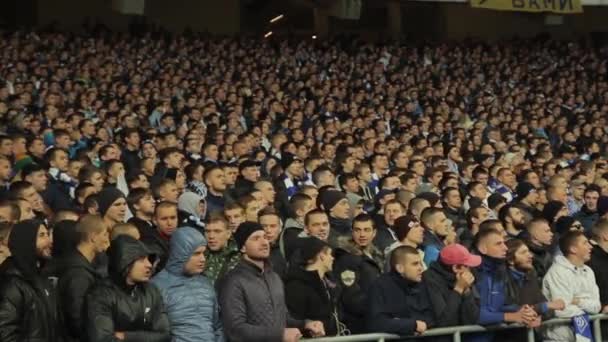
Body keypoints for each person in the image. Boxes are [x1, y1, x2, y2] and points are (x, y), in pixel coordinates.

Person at [218, 221, 324, 341]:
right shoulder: (233, 281)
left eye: (265, 237)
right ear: (242, 247)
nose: (264, 242)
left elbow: (283, 318)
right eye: (256, 238)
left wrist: (305, 325)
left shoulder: (274, 277)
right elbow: (235, 330)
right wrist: (280, 335)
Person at [85, 235, 171, 341]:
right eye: (140, 260)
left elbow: (164, 335)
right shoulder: (100, 294)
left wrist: (126, 336)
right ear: (124, 262)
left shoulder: (151, 291)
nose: (149, 264)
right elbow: (103, 339)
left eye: (148, 259)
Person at [152, 227, 224, 342]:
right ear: (180, 254)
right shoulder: (156, 287)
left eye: (203, 253)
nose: (203, 259)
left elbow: (217, 325)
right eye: (196, 254)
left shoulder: (205, 284)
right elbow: (154, 334)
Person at [475, 228, 539, 340]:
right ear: (483, 249)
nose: (505, 248)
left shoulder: (498, 273)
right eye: (498, 244)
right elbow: (474, 314)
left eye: (504, 243)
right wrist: (511, 316)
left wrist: (520, 310)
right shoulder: (474, 274)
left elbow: (497, 307)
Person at [0, 219, 58, 342]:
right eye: (42, 235)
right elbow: (5, 334)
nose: (49, 241)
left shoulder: (41, 277)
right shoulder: (12, 283)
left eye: (48, 234)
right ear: (26, 241)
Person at [57, 215, 110, 342]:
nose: (108, 239)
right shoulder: (78, 274)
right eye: (105, 234)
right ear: (93, 237)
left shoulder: (81, 266)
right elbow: (77, 318)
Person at [542, 230, 602, 342]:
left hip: (586, 336)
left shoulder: (588, 271)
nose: (590, 247)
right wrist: (587, 307)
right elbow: (561, 309)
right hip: (559, 338)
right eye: (585, 243)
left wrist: (578, 302)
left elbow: (597, 307)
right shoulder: (557, 272)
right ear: (573, 249)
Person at [504, 239, 565, 340]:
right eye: (523, 252)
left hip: (531, 336)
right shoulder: (502, 279)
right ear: (510, 260)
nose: (530, 256)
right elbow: (514, 308)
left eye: (528, 251)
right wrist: (543, 307)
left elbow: (549, 309)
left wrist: (540, 316)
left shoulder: (530, 276)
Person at [333, 214, 384, 333]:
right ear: (352, 232)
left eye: (367, 230)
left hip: (374, 320)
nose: (362, 235)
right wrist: (380, 307)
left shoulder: (376, 255)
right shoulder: (346, 259)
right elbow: (351, 298)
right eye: (357, 230)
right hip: (358, 325)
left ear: (374, 232)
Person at [367, 245, 434, 335]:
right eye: (415, 264)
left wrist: (399, 322)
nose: (420, 268)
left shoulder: (422, 284)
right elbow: (377, 323)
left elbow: (432, 318)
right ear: (400, 268)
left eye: (420, 263)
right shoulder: (380, 286)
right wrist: (412, 325)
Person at [285, 237, 339, 337]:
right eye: (329, 254)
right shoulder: (297, 286)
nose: (332, 258)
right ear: (321, 255)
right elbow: (295, 321)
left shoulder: (327, 281)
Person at [422, 243, 480, 327]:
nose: (470, 269)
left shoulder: (462, 280)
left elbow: (473, 320)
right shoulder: (429, 279)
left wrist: (466, 292)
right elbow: (445, 322)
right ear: (456, 268)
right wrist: (458, 289)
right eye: (467, 266)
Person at [203, 214, 240, 284]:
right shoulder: (198, 255)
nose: (211, 236)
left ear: (228, 233)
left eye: (217, 231)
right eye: (207, 231)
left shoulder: (239, 258)